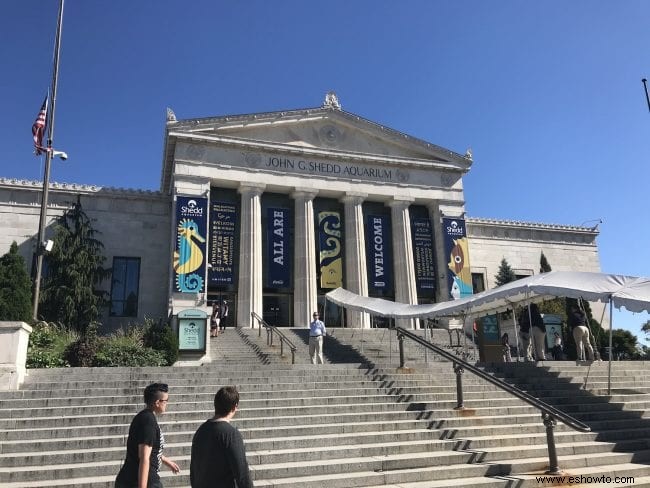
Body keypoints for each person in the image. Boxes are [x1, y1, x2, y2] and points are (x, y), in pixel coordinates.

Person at [116, 383, 180, 488]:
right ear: (157, 402)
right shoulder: (148, 421)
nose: (167, 403)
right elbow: (144, 457)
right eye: (166, 400)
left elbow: (150, 450)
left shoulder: (143, 416)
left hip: (129, 478)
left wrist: (166, 461)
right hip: (142, 481)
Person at [190, 386, 254, 488]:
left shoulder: (201, 430)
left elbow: (194, 470)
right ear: (234, 407)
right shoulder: (231, 435)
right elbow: (242, 474)